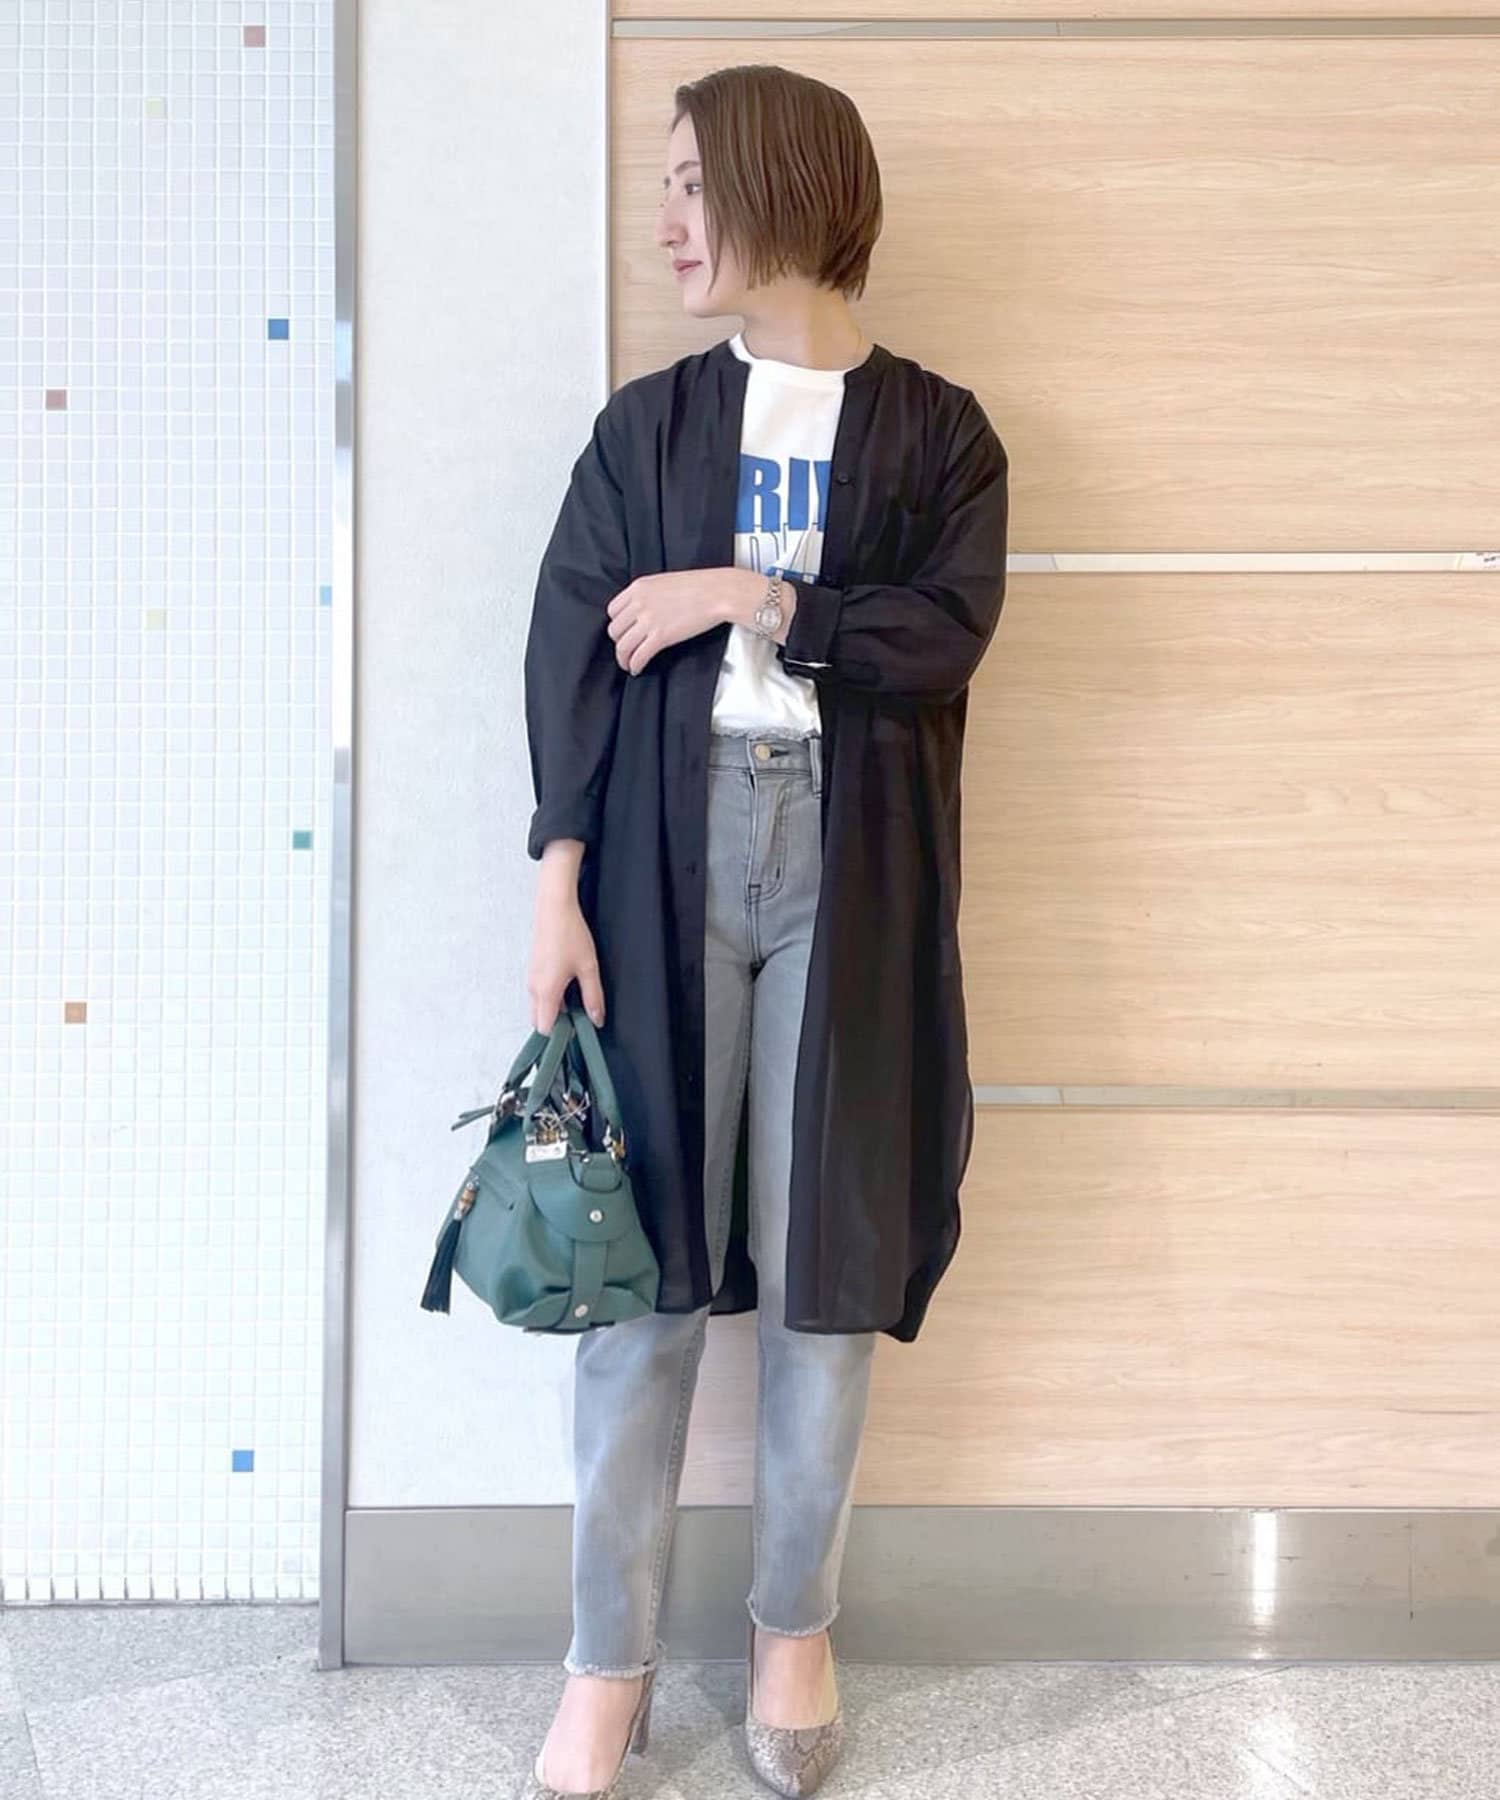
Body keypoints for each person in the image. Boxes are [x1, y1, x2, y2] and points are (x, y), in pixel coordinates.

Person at [519, 63, 1008, 1800]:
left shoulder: (939, 434)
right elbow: (571, 654)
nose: (665, 220)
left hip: (855, 866)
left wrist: (755, 597)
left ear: (783, 187)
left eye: (689, 184)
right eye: (662, 185)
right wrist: (556, 879)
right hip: (658, 858)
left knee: (826, 1269)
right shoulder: (647, 429)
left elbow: (943, 636)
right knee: (639, 1272)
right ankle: (609, 1661)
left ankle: (794, 1628)